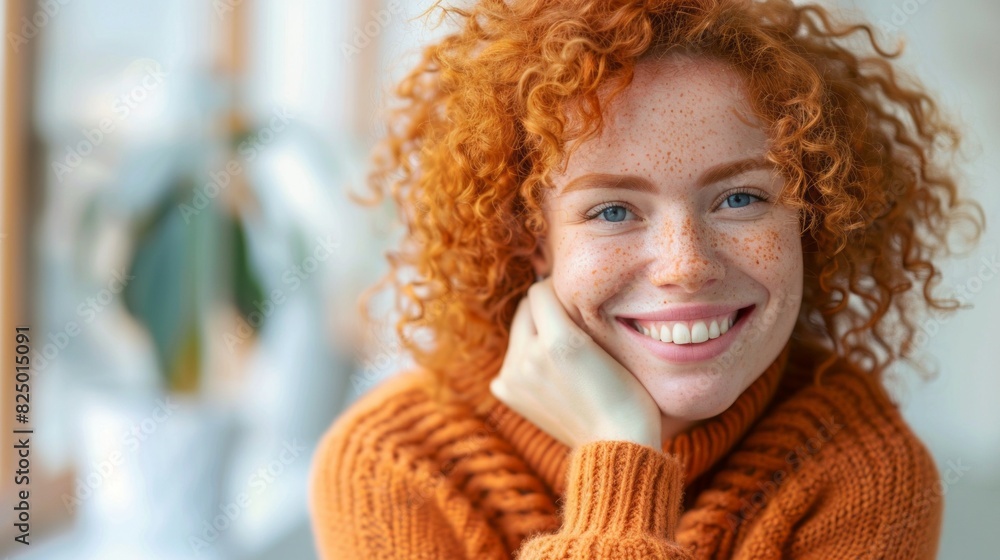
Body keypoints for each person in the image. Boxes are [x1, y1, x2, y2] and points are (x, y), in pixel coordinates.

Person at [309, 0, 984, 558]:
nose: (686, 263)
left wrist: (619, 458)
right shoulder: (395, 463)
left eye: (740, 198)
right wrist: (622, 454)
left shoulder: (859, 468)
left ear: (810, 217)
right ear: (530, 239)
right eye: (611, 210)